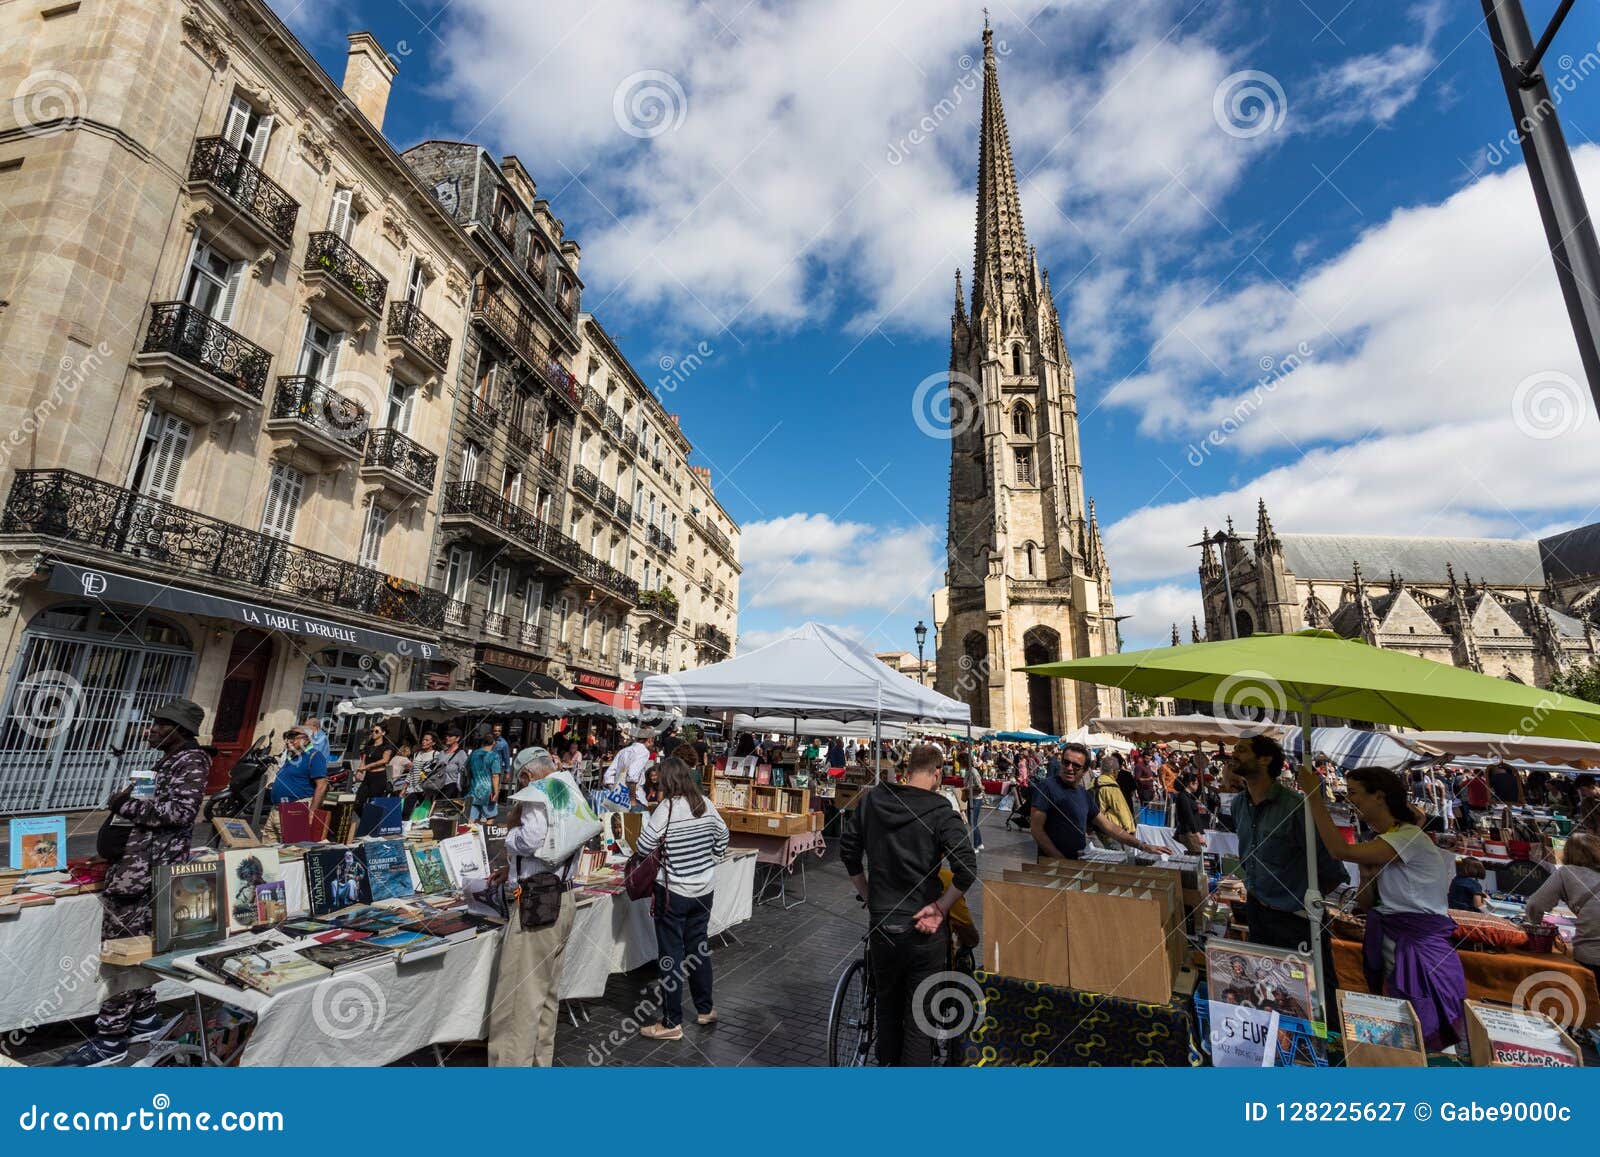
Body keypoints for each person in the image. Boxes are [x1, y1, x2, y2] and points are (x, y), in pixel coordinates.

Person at [58, 699, 211, 1066]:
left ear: (178, 729)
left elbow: (180, 813)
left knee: (121, 955)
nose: (151, 730)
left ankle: (110, 1040)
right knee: (139, 950)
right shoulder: (169, 761)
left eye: (159, 725)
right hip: (134, 871)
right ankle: (142, 1019)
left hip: (143, 877)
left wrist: (122, 805)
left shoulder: (190, 760)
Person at [1298, 763, 1466, 1050]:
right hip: (1394, 942)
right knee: (1402, 1031)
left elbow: (1340, 850)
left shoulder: (1408, 837)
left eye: (1354, 793)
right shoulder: (1389, 840)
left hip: (1419, 949)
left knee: (1424, 1036)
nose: (1349, 800)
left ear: (1379, 796)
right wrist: (1366, 873)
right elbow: (1367, 903)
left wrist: (1313, 795)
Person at [839, 744, 978, 1066]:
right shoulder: (941, 810)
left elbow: (848, 850)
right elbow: (967, 868)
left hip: (883, 923)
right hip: (923, 929)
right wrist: (941, 907)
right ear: (938, 773)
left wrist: (869, 894)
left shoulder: (874, 799)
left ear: (907, 769)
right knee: (919, 1020)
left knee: (886, 1010)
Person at [1230, 734, 1346, 993]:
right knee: (1268, 991)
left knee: (1313, 992)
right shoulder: (1238, 805)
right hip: (1258, 912)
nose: (1233, 754)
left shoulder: (1296, 808)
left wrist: (1299, 903)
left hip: (1296, 920)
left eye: (1241, 750)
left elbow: (1331, 869)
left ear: (1265, 759)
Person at [487, 748, 581, 1066]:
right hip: (562, 897)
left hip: (537, 901)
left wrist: (509, 835)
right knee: (545, 993)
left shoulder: (536, 794)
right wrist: (511, 870)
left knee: (518, 997)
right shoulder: (566, 787)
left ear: (527, 775)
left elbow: (531, 838)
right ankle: (540, 1061)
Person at [636, 757, 731, 1040]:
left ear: (667, 780)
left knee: (671, 956)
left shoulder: (666, 810)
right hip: (704, 889)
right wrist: (709, 860)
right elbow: (723, 837)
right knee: (698, 948)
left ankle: (671, 1022)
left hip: (674, 891)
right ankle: (705, 1009)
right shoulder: (704, 804)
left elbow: (643, 847)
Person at [1030, 743, 1166, 861]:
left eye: (1076, 765)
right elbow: (1037, 830)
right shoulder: (1047, 787)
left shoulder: (1083, 793)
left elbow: (1109, 826)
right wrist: (1060, 860)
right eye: (1066, 762)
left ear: (1084, 770)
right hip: (1052, 865)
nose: (1069, 768)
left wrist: (1143, 845)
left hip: (1077, 861)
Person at [1525, 832, 1600, 987]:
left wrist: (1534, 932)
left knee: (1588, 1003)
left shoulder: (1566, 872)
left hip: (1591, 956)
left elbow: (1535, 904)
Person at [268, 725, 329, 836]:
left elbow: (322, 785)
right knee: (267, 848)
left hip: (295, 809)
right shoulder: (292, 757)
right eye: (287, 737)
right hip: (276, 809)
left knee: (290, 849)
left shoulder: (314, 756)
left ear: (306, 739)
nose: (288, 741)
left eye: (293, 736)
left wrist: (312, 812)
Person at [1092, 752, 1139, 843]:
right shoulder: (1112, 787)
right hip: (1111, 830)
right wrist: (1131, 829)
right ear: (1113, 771)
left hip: (1096, 826)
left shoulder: (1094, 782)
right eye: (1117, 771)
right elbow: (1121, 810)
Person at [603, 730, 653, 809]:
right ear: (649, 739)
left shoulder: (623, 751)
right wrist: (632, 800)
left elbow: (608, 775)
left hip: (619, 798)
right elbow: (632, 776)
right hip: (635, 798)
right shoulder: (643, 751)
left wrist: (616, 790)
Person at [353, 720, 396, 810]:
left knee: (373, 803)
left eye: (376, 731)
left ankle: (371, 822)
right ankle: (363, 820)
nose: (373, 733)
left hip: (379, 777)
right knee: (358, 803)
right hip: (368, 776)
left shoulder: (386, 746)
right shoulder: (369, 745)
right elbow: (363, 760)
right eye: (372, 731)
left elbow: (385, 760)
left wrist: (368, 766)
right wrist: (360, 770)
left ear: (383, 733)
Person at [422, 725, 469, 801]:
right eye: (447, 735)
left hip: (451, 788)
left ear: (457, 738)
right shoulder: (441, 753)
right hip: (437, 788)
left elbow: (465, 773)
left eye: (450, 736)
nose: (447, 737)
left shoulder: (461, 754)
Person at [1170, 770, 1207, 855]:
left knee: (1195, 854)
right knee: (1197, 854)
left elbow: (1198, 792)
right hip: (1188, 832)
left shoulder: (1189, 796)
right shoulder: (1182, 796)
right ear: (1191, 783)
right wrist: (1198, 834)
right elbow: (1189, 816)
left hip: (1190, 831)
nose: (1198, 785)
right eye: (1196, 783)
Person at [466, 729, 501, 821]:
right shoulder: (494, 756)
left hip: (474, 788)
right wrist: (496, 792)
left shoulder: (474, 753)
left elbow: (468, 770)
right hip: (488, 790)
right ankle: (485, 835)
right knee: (490, 816)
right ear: (494, 742)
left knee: (471, 817)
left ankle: (468, 834)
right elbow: (495, 776)